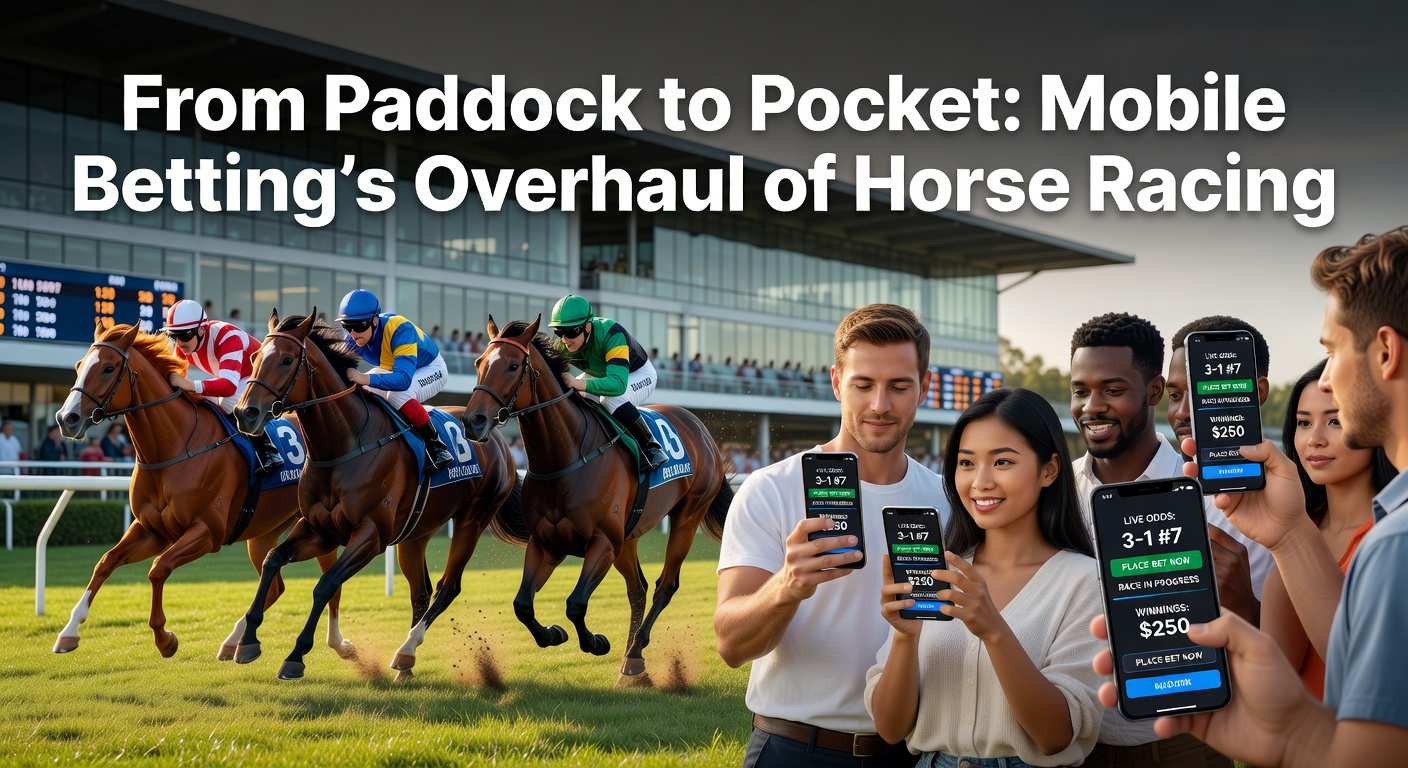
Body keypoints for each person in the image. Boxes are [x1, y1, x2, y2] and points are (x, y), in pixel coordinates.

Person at [1090, 227, 1408, 767]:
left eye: (1330, 351)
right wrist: (1292, 733)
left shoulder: (1394, 543)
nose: (1325, 379)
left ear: (1384, 351)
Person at [715, 304, 950, 768]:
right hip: (794, 747)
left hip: (914, 751)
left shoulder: (947, 501)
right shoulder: (772, 489)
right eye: (863, 384)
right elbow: (731, 646)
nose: (880, 404)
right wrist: (787, 586)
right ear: (837, 381)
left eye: (899, 386)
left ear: (924, 388)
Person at [868, 388, 1104, 767]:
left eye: (1002, 462)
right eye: (966, 463)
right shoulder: (938, 569)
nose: (980, 482)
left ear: (1049, 470)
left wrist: (994, 630)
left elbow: (1055, 736)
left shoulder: (1084, 582)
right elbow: (891, 729)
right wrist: (904, 637)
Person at [1066, 311, 1234, 766]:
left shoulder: (1211, 497)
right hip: (1074, 747)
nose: (1092, 406)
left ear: (1154, 391)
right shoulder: (1055, 493)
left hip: (1181, 746)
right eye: (1080, 391)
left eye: (1113, 390)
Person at [1265, 359, 1398, 699]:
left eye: (1335, 421)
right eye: (1304, 423)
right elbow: (1277, 680)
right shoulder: (1293, 526)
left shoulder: (1393, 537)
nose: (1314, 440)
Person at [1165, 316, 1274, 624]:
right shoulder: (1172, 492)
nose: (1182, 411)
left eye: (1201, 389)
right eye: (1174, 396)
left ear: (1258, 392)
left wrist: (1245, 606)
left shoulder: (1302, 500)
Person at [336, 288, 453, 470]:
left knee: (398, 396)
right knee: (362, 392)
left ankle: (437, 447)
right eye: (346, 326)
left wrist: (364, 378)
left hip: (430, 369)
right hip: (394, 368)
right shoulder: (352, 338)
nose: (352, 333)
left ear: (375, 320)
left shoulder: (399, 329)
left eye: (359, 326)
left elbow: (403, 380)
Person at [163, 299, 284, 474]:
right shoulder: (183, 345)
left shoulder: (227, 336)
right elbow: (174, 379)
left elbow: (228, 387)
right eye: (173, 335)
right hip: (234, 378)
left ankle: (268, 450)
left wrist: (189, 384)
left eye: (184, 334)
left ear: (201, 329)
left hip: (259, 379)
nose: (179, 342)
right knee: (196, 399)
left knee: (227, 401)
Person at [548, 294, 668, 470]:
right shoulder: (563, 345)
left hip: (638, 375)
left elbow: (617, 384)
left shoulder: (612, 333)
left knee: (610, 398)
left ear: (587, 327)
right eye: (559, 332)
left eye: (571, 331)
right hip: (603, 374)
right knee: (573, 395)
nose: (564, 339)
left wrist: (578, 383)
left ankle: (652, 447)